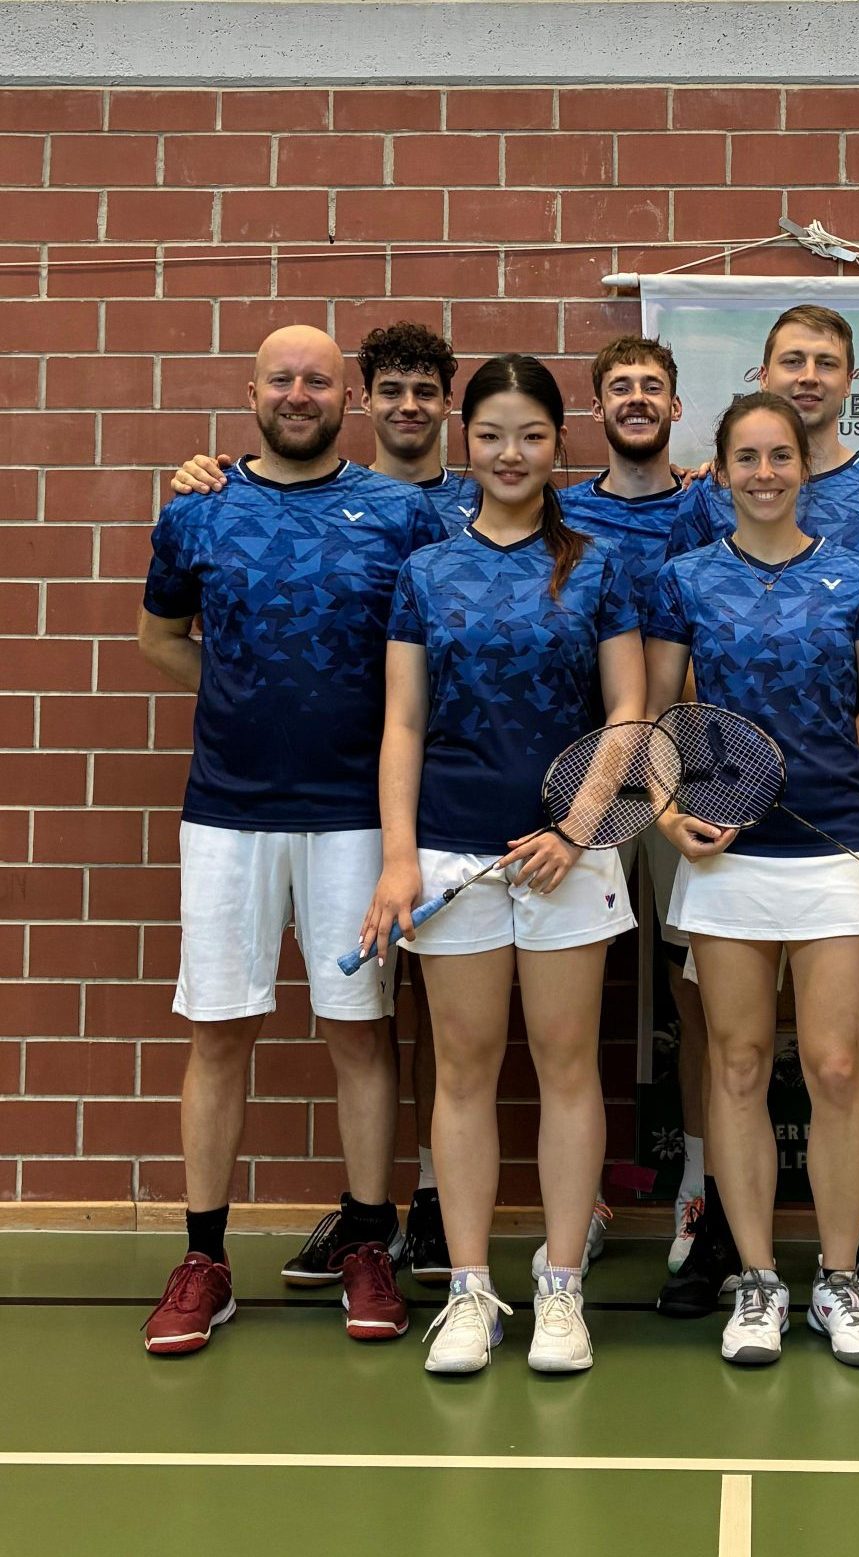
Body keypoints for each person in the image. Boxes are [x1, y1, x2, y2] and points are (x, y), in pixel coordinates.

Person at [137, 325, 445, 1354]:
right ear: (253, 392)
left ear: (346, 398)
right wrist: (236, 694)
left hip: (356, 817)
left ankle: (367, 1238)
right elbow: (158, 636)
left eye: (318, 379)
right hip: (227, 813)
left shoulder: (402, 514)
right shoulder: (198, 506)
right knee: (219, 1030)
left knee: (359, 1029)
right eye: (283, 379)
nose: (300, 393)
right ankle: (205, 1259)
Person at [646, 391, 859, 1369]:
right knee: (737, 1067)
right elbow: (655, 712)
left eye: (780, 456)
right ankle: (755, 1280)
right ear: (722, 470)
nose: (766, 473)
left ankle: (840, 1277)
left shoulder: (857, 577)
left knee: (835, 1068)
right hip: (729, 856)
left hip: (838, 852)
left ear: (803, 467)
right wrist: (667, 809)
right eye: (747, 457)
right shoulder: (685, 579)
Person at [361, 354, 645, 1375]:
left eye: (530, 435)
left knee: (568, 1068)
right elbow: (403, 722)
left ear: (559, 442)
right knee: (465, 1072)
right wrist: (401, 859)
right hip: (452, 853)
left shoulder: (599, 564)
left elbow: (629, 708)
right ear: (465, 442)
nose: (510, 453)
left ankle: (561, 1286)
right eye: (490, 436)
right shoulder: (427, 570)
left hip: (569, 856)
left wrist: (577, 828)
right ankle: (471, 1289)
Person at [541, 335, 712, 1284]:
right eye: (620, 387)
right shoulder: (561, 515)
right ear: (597, 408)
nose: (637, 399)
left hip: (691, 778)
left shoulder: (711, 502)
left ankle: (698, 1185)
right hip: (594, 781)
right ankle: (586, 1199)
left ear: (676, 408)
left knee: (699, 992)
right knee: (579, 993)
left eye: (652, 386)